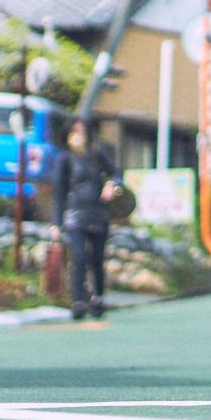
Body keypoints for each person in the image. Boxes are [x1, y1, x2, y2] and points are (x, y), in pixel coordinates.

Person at [46, 116, 126, 319]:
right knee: (79, 257)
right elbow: (59, 193)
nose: (78, 137)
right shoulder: (64, 159)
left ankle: (98, 297)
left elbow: (117, 174)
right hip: (75, 215)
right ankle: (79, 300)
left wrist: (112, 185)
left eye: (81, 132)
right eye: (74, 132)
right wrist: (56, 223)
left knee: (97, 259)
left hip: (99, 213)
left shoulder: (97, 155)